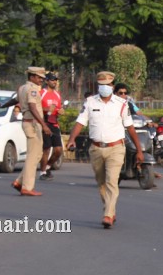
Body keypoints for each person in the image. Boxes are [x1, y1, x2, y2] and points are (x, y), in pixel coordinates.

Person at [66, 70, 143, 228]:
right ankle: (110, 210)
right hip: (96, 148)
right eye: (101, 85)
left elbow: (130, 127)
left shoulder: (122, 104)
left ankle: (107, 214)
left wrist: (139, 150)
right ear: (97, 86)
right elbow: (80, 122)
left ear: (112, 86)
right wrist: (72, 139)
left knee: (111, 181)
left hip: (116, 148)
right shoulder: (90, 102)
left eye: (107, 85)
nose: (104, 87)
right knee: (101, 182)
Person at [12, 66, 48, 196]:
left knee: (37, 155)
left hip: (29, 123)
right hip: (33, 124)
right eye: (39, 78)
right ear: (32, 77)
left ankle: (19, 181)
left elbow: (15, 100)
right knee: (33, 156)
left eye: (42, 78)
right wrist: (43, 124)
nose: (41, 80)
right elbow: (33, 107)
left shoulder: (22, 88)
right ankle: (27, 187)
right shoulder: (32, 89)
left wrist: (2, 106)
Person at [39, 72, 63, 180]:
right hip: (45, 123)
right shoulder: (41, 93)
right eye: (52, 80)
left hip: (54, 123)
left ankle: (48, 166)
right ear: (46, 81)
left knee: (58, 150)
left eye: (55, 80)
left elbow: (58, 108)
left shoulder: (57, 95)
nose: (54, 82)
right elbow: (35, 107)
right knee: (46, 149)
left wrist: (60, 111)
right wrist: (47, 109)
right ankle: (42, 172)